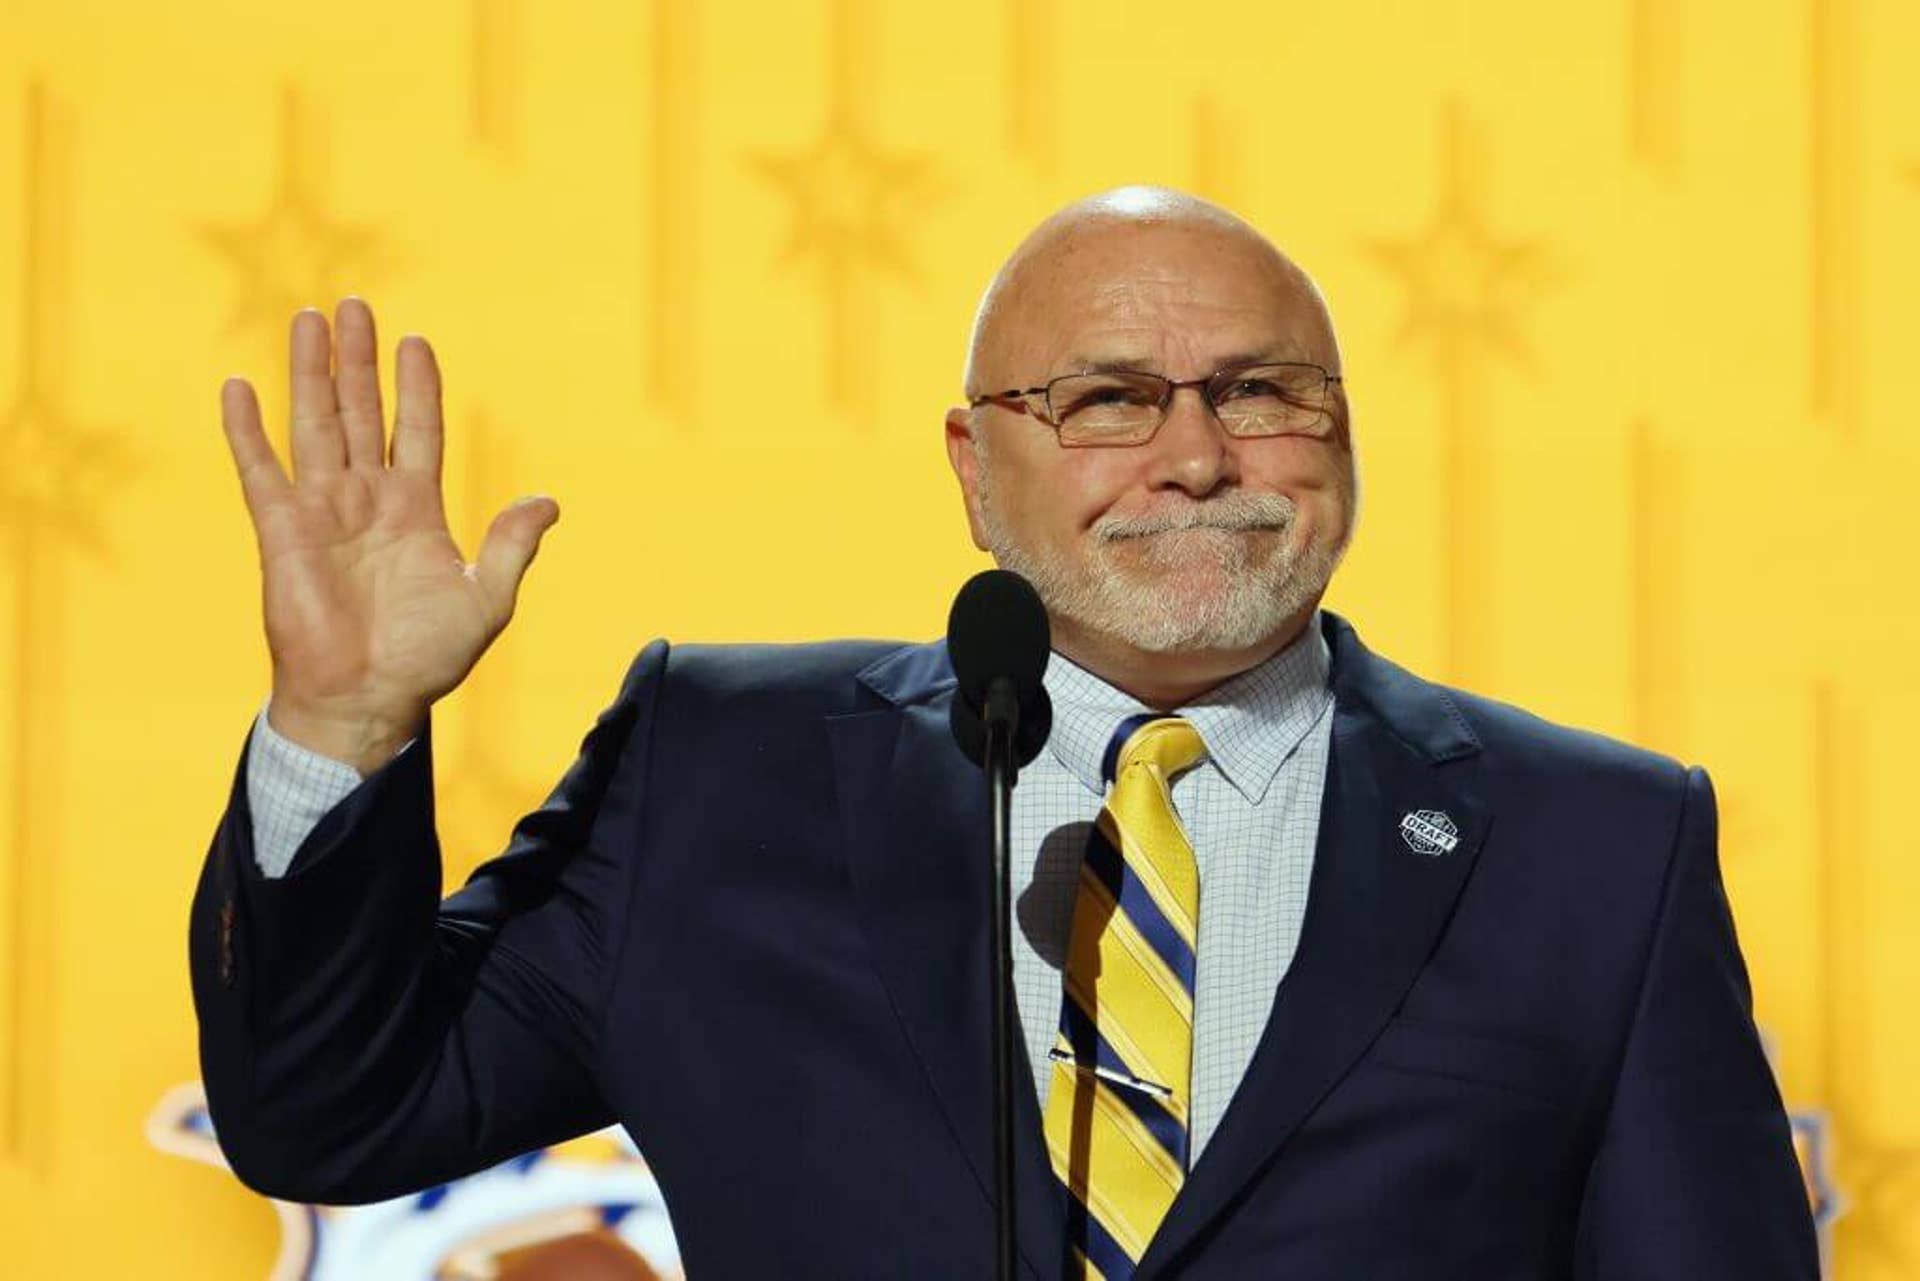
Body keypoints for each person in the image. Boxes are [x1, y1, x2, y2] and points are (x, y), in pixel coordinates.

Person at [191, 186, 1818, 1278]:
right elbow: (333, 1114)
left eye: (1263, 391)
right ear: (975, 470)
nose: (1195, 455)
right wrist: (338, 726)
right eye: (1107, 398)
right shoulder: (714, 773)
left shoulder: (1600, 844)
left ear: (1344, 439)